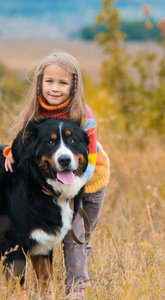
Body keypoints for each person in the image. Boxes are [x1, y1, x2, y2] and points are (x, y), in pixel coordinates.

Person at [3, 51, 110, 299]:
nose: (55, 88)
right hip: (56, 184)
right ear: (40, 83)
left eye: (62, 83)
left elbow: (89, 161)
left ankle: (76, 289)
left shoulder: (84, 117)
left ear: (74, 85)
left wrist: (72, 186)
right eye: (49, 81)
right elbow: (21, 141)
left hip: (89, 181)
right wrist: (10, 152)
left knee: (77, 237)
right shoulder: (34, 112)